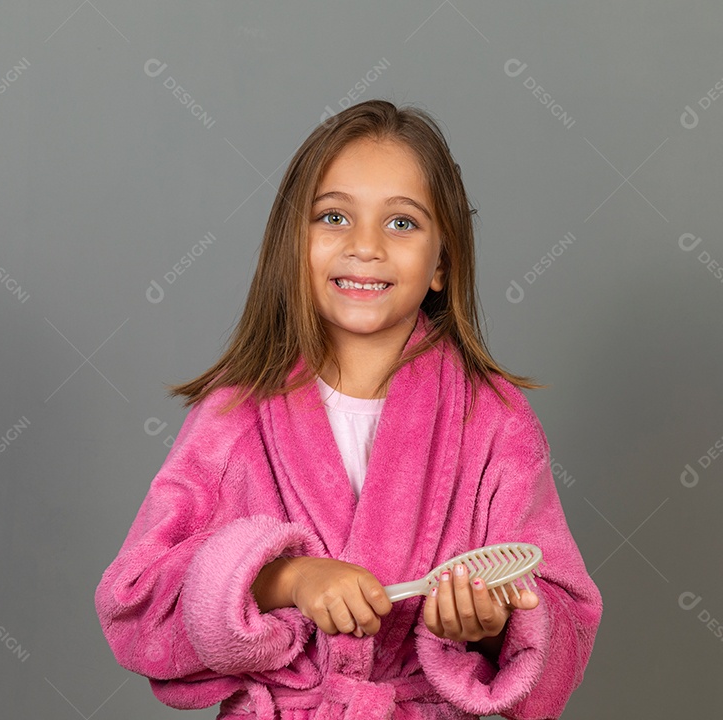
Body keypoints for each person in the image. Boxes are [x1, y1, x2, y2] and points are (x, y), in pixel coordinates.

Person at [95, 99, 602, 719]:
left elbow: (565, 622)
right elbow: (136, 604)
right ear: (294, 245)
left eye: (402, 224)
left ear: (442, 262)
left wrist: (492, 625)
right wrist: (288, 579)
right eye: (334, 216)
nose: (365, 247)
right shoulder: (238, 410)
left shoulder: (492, 420)